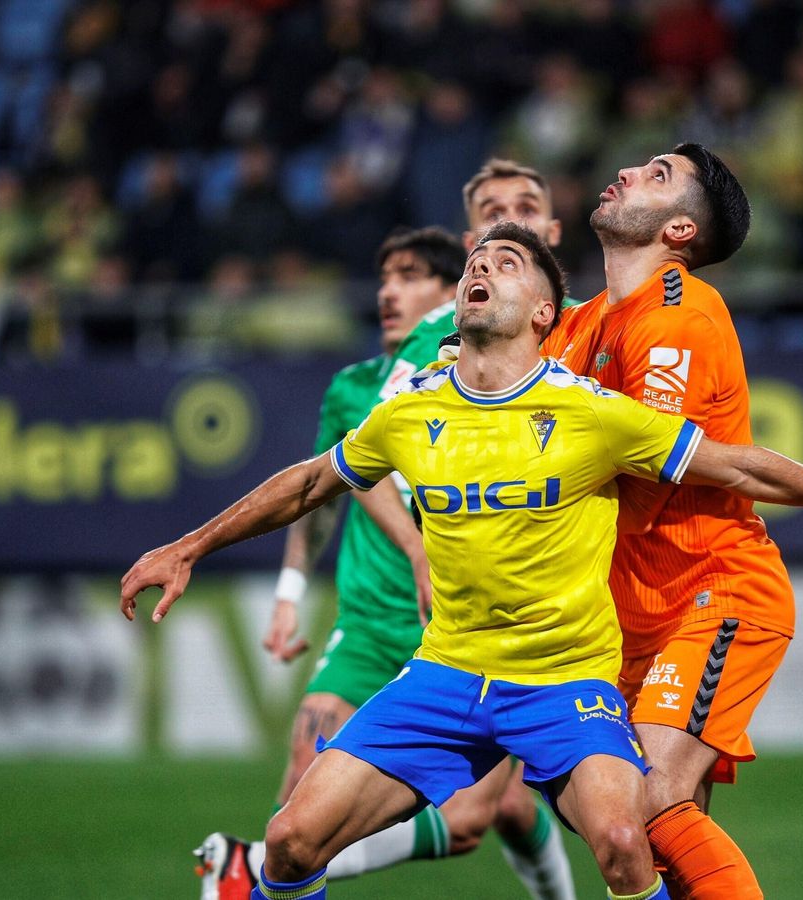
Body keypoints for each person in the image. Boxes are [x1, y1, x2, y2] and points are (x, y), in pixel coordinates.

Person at [122, 223, 803, 900]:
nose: (480, 270)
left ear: (544, 315)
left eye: (506, 262)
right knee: (288, 840)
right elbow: (309, 484)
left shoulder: (588, 412)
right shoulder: (409, 411)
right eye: (475, 263)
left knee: (622, 840)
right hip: (443, 677)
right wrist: (187, 546)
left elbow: (738, 463)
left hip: (565, 684)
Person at [200, 161, 584, 900]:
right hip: (384, 620)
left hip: (513, 623)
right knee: (303, 802)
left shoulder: (581, 337)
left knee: (503, 809)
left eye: (527, 207)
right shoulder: (410, 362)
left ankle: (251, 870)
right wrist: (295, 589)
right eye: (495, 213)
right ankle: (259, 871)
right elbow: (335, 477)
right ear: (472, 248)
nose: (388, 293)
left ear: (554, 230)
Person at [543, 142, 803, 898]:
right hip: (629, 611)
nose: (626, 171)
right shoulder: (584, 324)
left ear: (680, 232)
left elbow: (651, 480)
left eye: (658, 176)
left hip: (711, 591)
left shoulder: (677, 318)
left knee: (645, 800)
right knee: (629, 822)